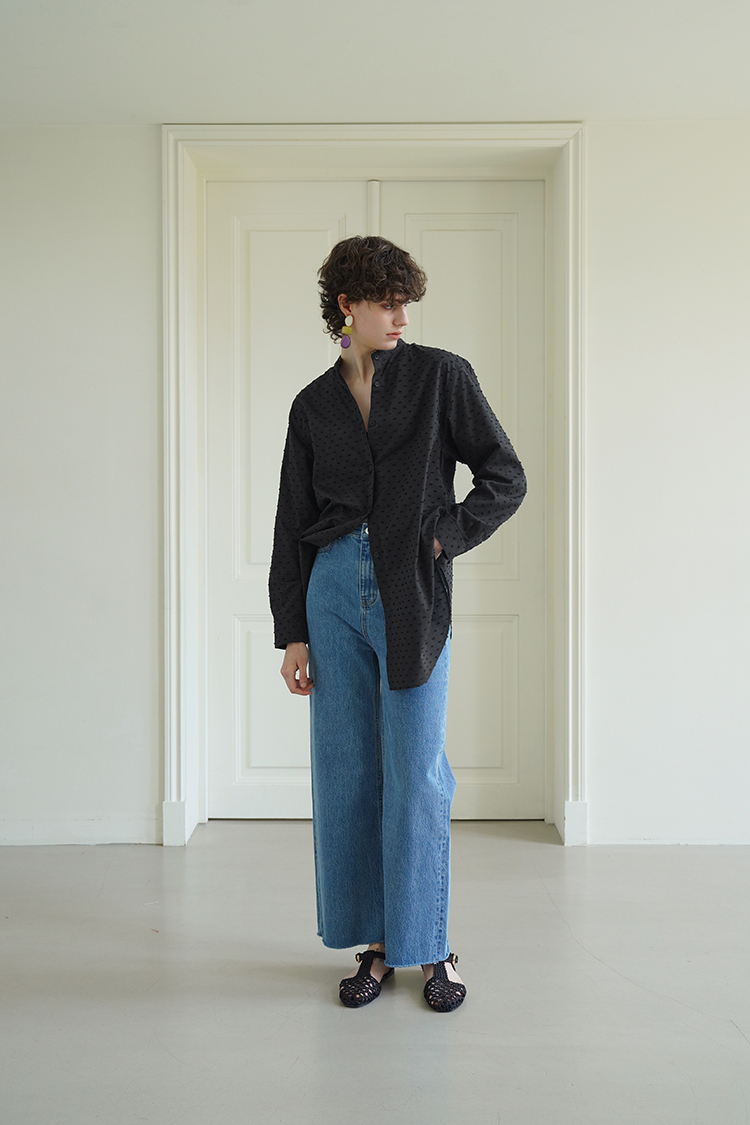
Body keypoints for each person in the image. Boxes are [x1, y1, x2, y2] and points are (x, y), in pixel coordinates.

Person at [269, 235, 527, 1012]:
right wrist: (292, 631)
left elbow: (505, 475)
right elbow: (291, 522)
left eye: (406, 302)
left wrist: (442, 536)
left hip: (411, 590)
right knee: (347, 774)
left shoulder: (442, 377)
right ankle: (377, 945)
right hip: (330, 593)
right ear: (347, 306)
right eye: (387, 303)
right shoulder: (313, 405)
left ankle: (430, 946)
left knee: (416, 773)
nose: (402, 316)